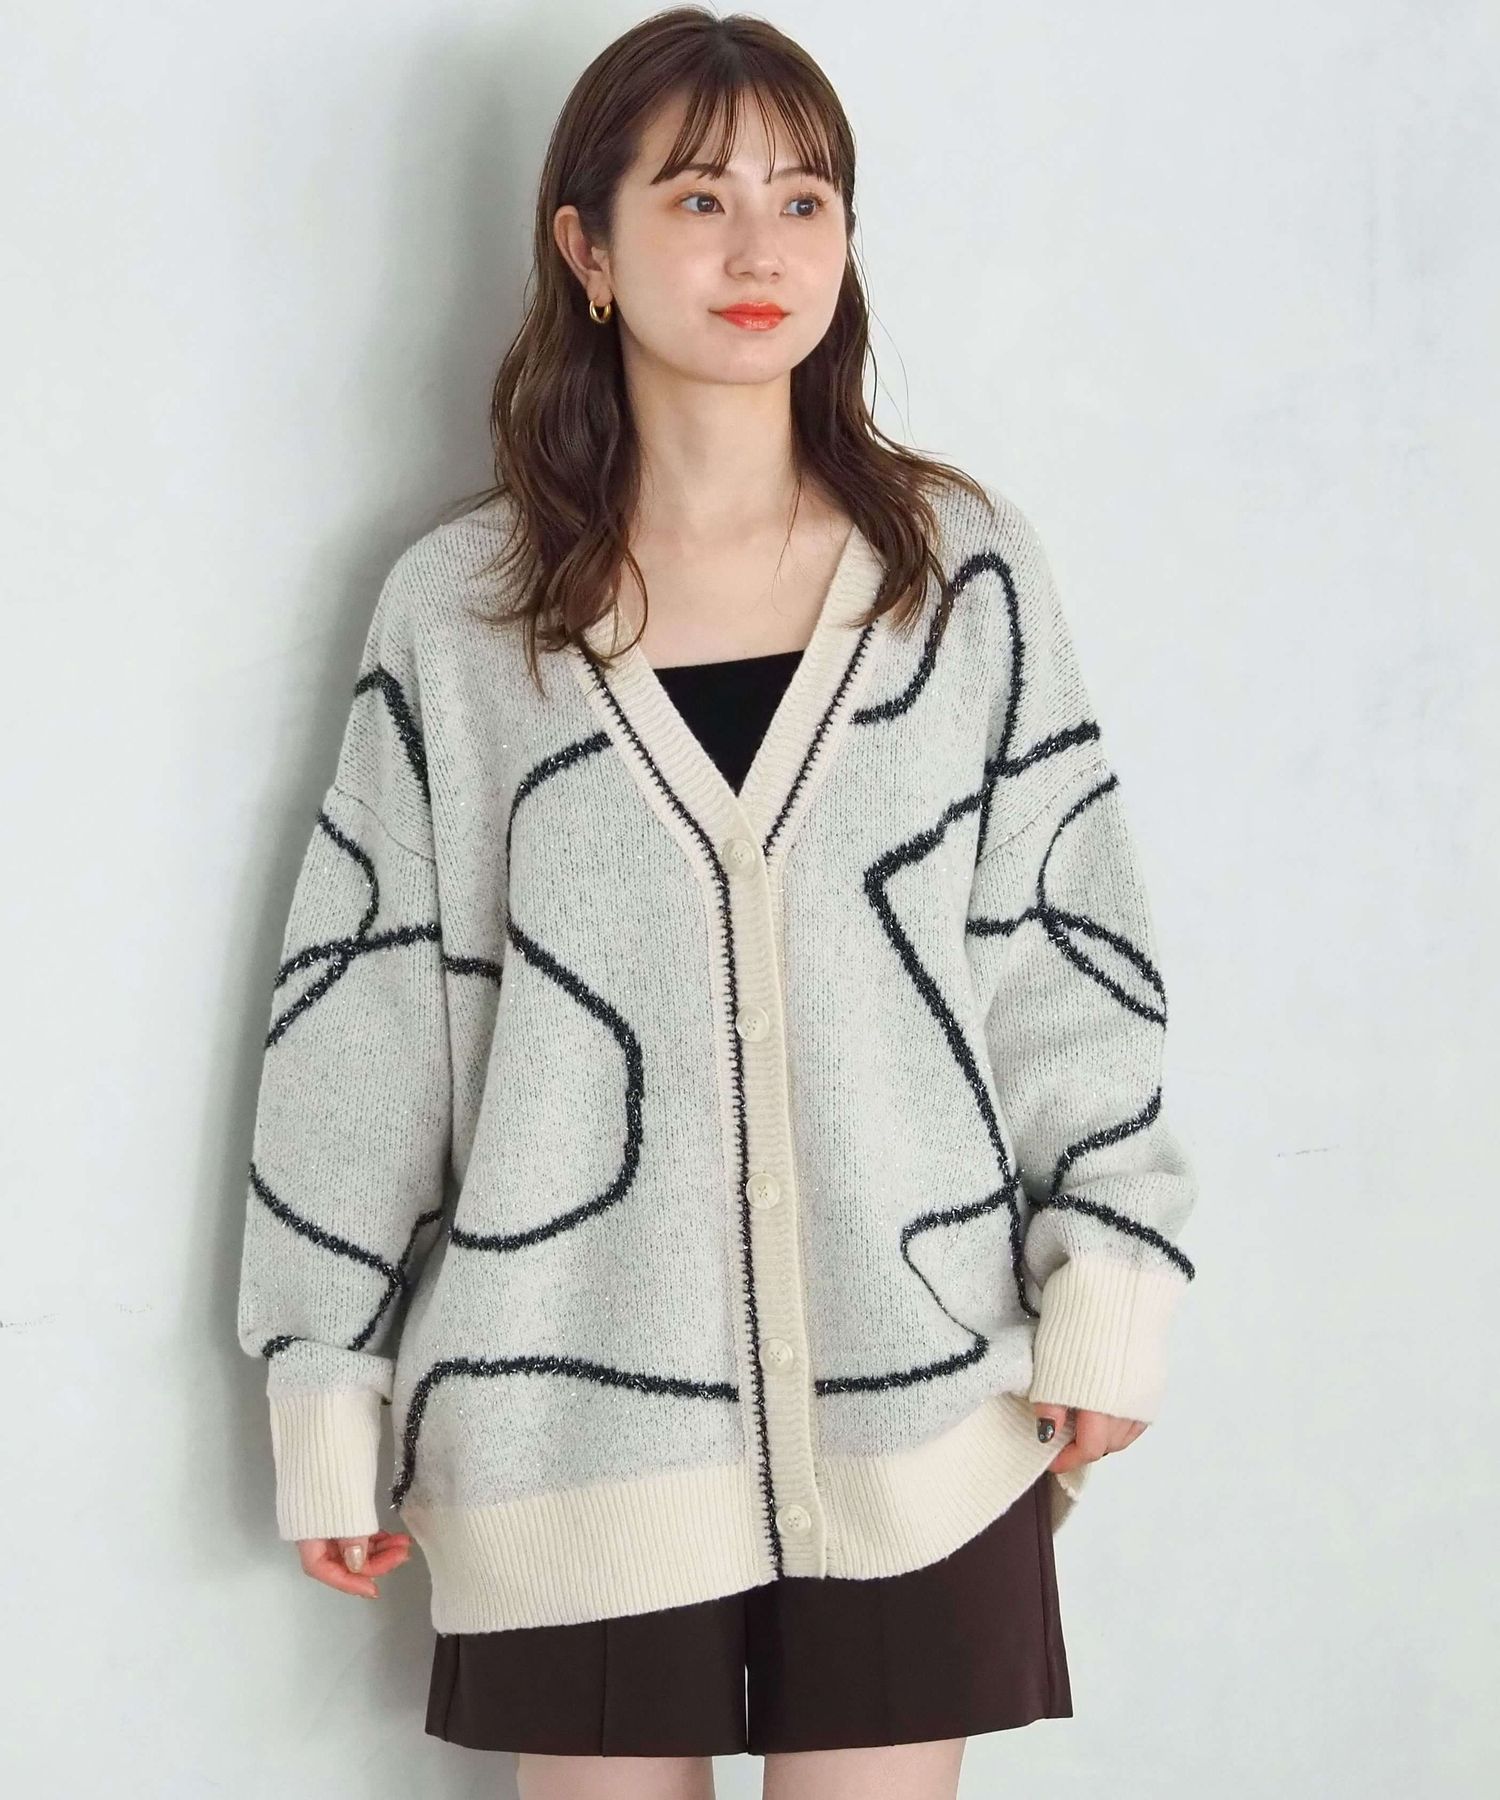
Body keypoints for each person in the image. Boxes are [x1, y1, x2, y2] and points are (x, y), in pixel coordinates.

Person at [235, 8, 1198, 1797]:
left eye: (804, 199)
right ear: (585, 249)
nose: (760, 248)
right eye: (697, 198)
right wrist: (326, 1382)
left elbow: (1066, 956)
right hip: (566, 1423)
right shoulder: (463, 613)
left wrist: (1111, 1283)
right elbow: (366, 1015)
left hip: (928, 1413)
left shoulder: (958, 576)